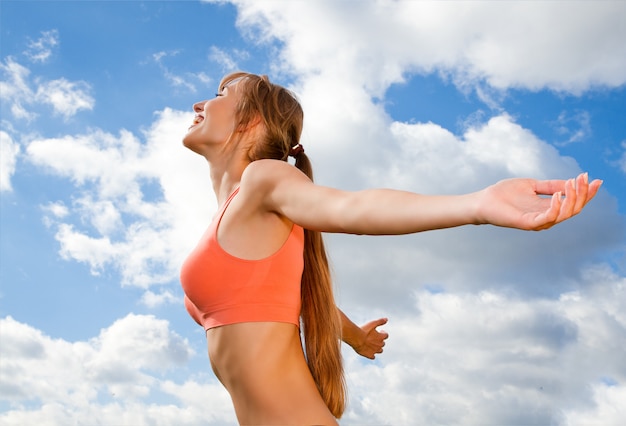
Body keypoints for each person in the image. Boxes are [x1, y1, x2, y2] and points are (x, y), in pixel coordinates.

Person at [179, 71, 601, 425]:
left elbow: (353, 207)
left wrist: (476, 205)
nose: (200, 103)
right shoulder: (236, 215)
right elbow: (287, 296)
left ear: (252, 121)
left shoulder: (263, 179)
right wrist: (354, 336)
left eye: (220, 96)